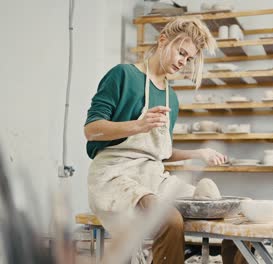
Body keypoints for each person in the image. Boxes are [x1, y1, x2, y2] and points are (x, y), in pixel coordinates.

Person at [84, 17, 247, 263]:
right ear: (163, 40)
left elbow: (161, 152)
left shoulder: (171, 97)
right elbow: (91, 130)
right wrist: (138, 125)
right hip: (114, 175)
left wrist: (197, 153)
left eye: (189, 58)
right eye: (181, 53)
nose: (183, 62)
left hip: (153, 176)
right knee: (169, 218)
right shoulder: (123, 75)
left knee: (229, 212)